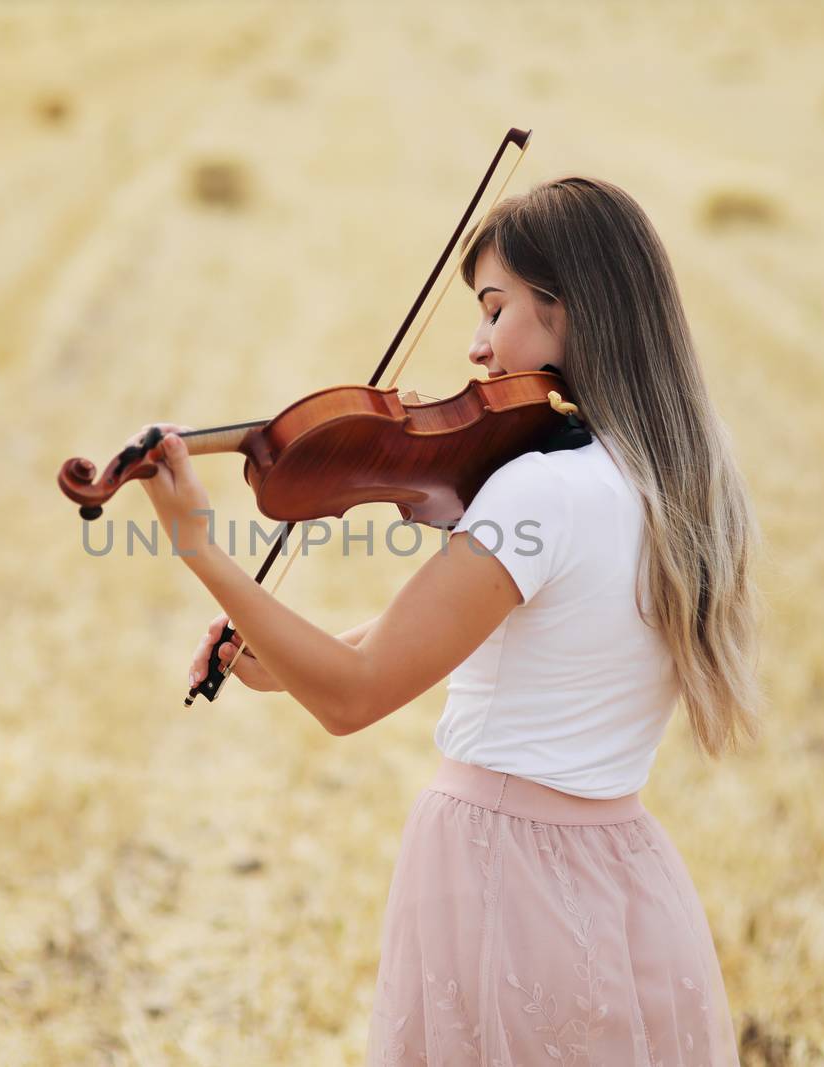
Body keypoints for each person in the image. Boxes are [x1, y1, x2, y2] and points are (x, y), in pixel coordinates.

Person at [125, 175, 761, 1066]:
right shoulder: (675, 484)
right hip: (624, 874)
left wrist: (198, 542)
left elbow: (355, 697)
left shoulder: (539, 487)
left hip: (505, 877)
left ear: (567, 309)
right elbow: (498, 648)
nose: (475, 345)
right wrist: (278, 652)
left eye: (494, 309)